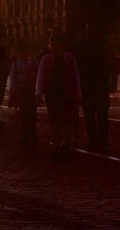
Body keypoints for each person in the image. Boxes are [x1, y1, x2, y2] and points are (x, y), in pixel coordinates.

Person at [37, 33, 81, 161]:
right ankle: (56, 148)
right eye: (51, 44)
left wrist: (78, 95)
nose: (52, 47)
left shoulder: (70, 59)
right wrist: (38, 93)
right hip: (52, 95)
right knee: (54, 123)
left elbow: (75, 77)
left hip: (67, 95)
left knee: (67, 122)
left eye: (55, 44)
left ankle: (66, 143)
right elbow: (40, 77)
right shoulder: (46, 59)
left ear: (62, 45)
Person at [74, 22, 117, 149]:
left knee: (103, 112)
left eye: (91, 29)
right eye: (87, 29)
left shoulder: (106, 45)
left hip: (102, 84)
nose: (88, 31)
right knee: (88, 112)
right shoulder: (82, 46)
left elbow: (113, 66)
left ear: (98, 30)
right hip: (87, 85)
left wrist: (113, 83)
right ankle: (92, 138)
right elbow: (77, 66)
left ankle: (103, 138)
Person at [9, 42, 38, 144]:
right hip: (21, 90)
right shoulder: (16, 64)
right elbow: (13, 77)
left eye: (23, 52)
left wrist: (38, 88)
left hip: (31, 90)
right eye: (19, 52)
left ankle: (32, 133)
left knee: (32, 113)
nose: (21, 54)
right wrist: (14, 89)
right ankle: (25, 134)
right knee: (24, 113)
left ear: (27, 52)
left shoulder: (33, 62)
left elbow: (38, 74)